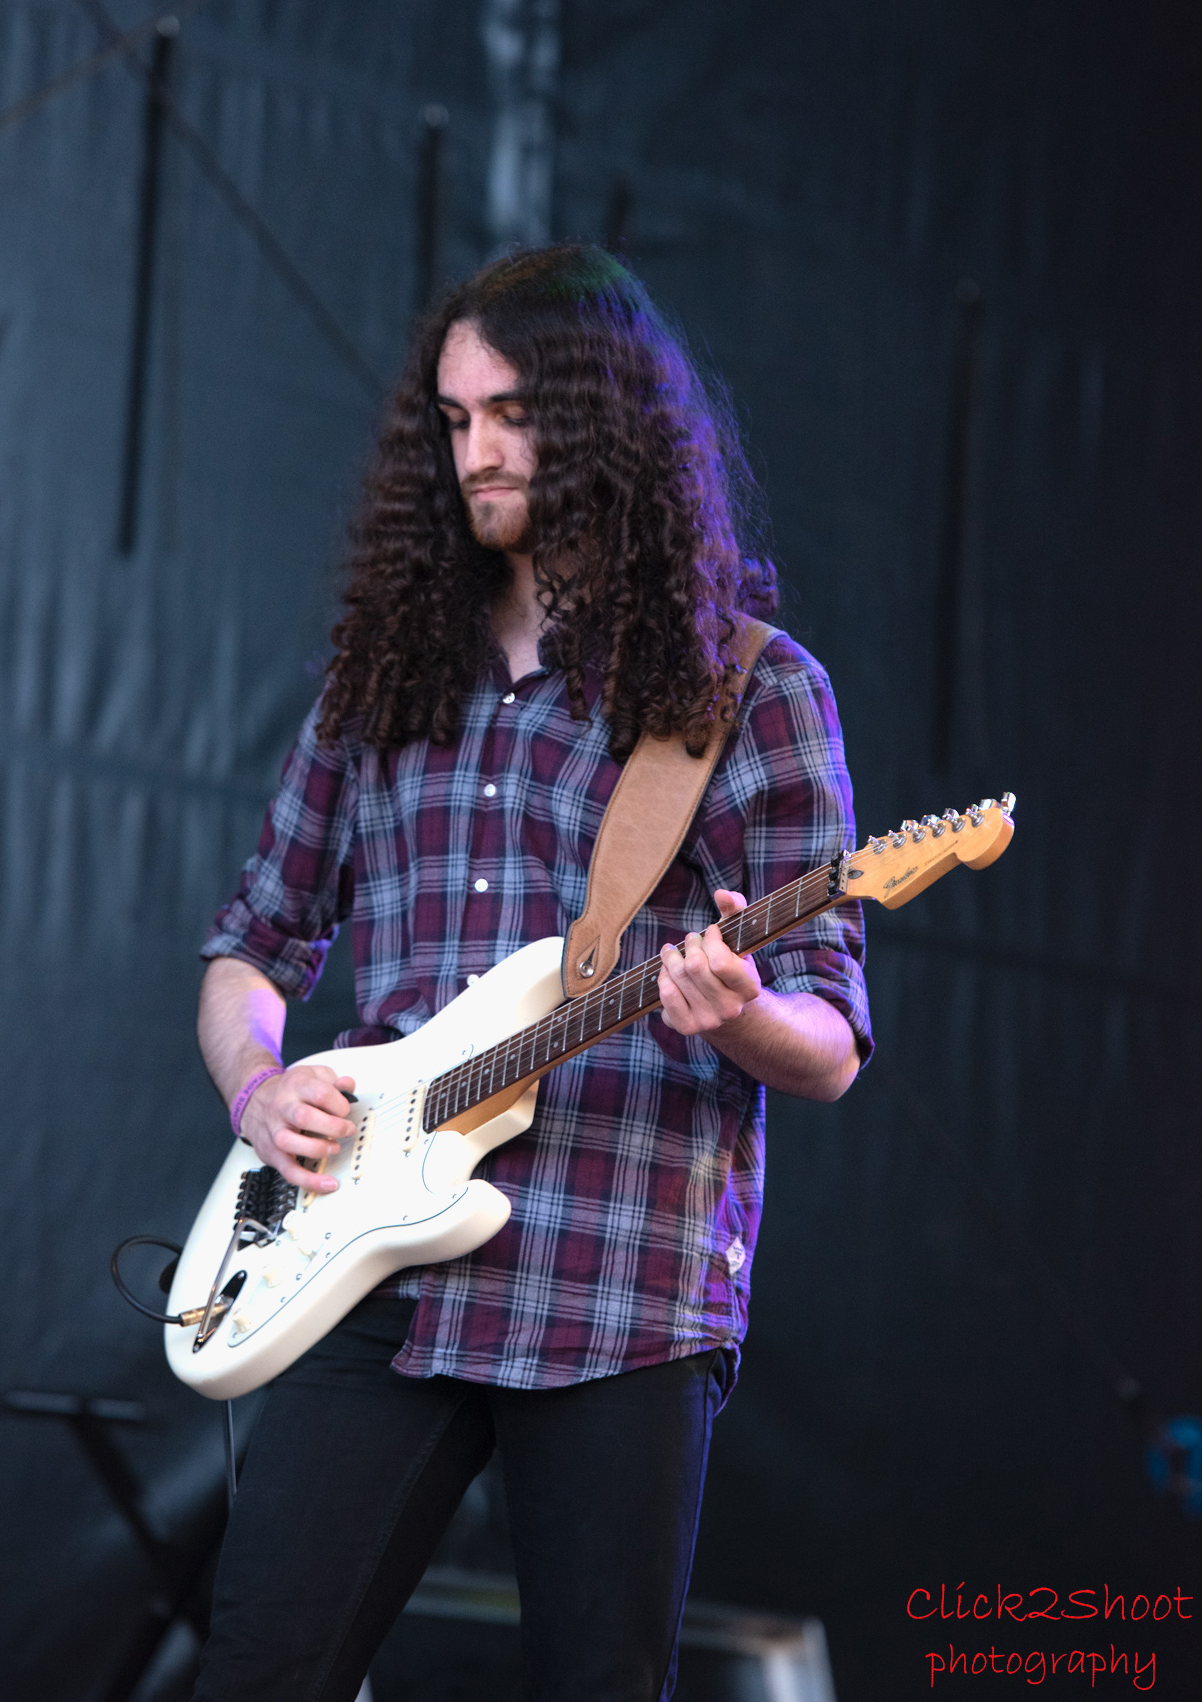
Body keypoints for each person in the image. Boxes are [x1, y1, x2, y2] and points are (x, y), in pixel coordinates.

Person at [192, 244, 870, 1702]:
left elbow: (829, 1043)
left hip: (616, 1280)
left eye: (512, 414)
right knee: (257, 1664)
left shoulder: (746, 691)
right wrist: (258, 1082)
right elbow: (252, 946)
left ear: (607, 423)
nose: (477, 453)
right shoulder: (381, 677)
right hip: (366, 1263)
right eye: (451, 420)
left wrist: (744, 1014)